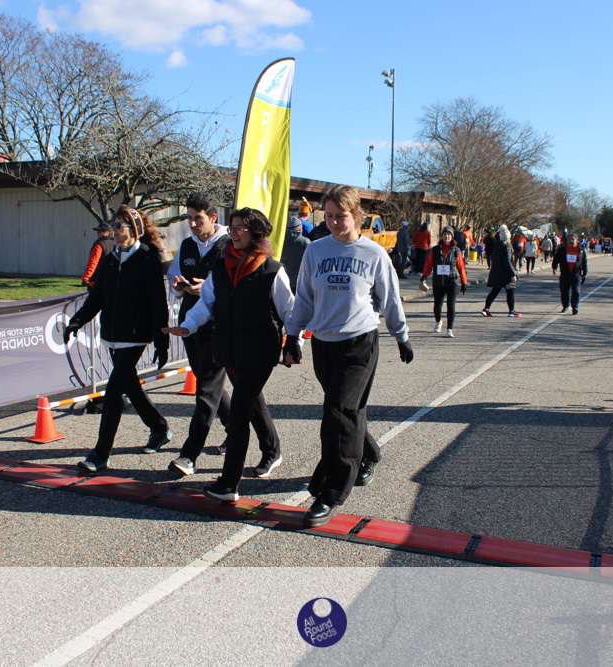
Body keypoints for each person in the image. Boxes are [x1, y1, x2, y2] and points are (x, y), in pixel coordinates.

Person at [284, 185, 413, 527]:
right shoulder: (315, 251)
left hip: (359, 342)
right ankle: (368, 452)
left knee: (338, 412)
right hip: (324, 343)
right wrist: (293, 335)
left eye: (340, 216)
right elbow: (304, 297)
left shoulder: (373, 254)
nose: (333, 222)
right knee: (346, 409)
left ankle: (331, 491)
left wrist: (401, 336)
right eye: (328, 216)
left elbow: (390, 299)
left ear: (356, 215)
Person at [164, 207, 295, 501]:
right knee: (252, 403)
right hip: (228, 348)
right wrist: (187, 326)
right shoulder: (221, 268)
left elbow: (289, 309)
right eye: (232, 227)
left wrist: (293, 340)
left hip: (260, 350)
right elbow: (206, 304)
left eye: (239, 228)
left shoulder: (272, 269)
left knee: (238, 413)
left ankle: (228, 484)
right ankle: (272, 451)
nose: (233, 233)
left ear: (255, 232)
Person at [63, 205, 172, 473]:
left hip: (136, 336)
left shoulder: (147, 259)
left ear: (134, 229)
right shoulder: (110, 259)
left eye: (119, 224)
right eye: (113, 223)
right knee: (130, 386)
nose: (113, 228)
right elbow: (97, 298)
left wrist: (162, 341)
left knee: (113, 392)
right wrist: (77, 321)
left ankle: (101, 454)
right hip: (112, 335)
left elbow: (158, 303)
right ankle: (159, 428)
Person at [421, 226, 468, 337]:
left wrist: (464, 282)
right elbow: (428, 264)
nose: (447, 236)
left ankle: (449, 329)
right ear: (442, 236)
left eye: (449, 235)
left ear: (452, 237)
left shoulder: (456, 250)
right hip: (438, 281)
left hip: (453, 281)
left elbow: (461, 267)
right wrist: (424, 276)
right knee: (437, 304)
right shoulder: (435, 250)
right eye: (445, 234)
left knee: (451, 305)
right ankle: (438, 322)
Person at [480, 224, 521, 317]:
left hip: (496, 271)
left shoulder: (496, 246)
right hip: (505, 273)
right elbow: (507, 261)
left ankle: (486, 309)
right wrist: (513, 274)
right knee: (510, 291)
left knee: (494, 291)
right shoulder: (506, 247)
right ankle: (511, 311)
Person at [551, 233, 587, 315]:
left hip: (576, 274)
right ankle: (566, 306)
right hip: (565, 274)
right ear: (566, 241)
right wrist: (554, 267)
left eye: (573, 239)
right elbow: (556, 259)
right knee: (564, 291)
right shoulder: (562, 249)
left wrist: (585, 273)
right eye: (569, 239)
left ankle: (575, 306)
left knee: (576, 291)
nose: (571, 241)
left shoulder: (581, 250)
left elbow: (584, 262)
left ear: (576, 240)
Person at [281, 212, 311, 293]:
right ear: (300, 229)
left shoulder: (280, 241)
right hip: (300, 282)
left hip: (282, 281)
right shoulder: (305, 242)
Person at [81, 221, 115, 288]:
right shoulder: (116, 243)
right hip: (111, 278)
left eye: (100, 231)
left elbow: (93, 262)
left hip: (97, 279)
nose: (97, 233)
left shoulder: (99, 244)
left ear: (107, 232)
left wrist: (86, 278)